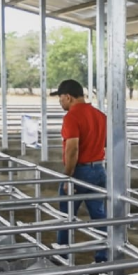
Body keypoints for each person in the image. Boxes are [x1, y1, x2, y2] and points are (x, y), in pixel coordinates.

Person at [52, 79, 108, 263]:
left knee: (66, 216)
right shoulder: (100, 115)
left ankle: (63, 256)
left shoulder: (71, 117)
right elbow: (106, 143)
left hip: (79, 171)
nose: (60, 102)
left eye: (60, 98)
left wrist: (67, 176)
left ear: (68, 97)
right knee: (99, 216)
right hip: (99, 169)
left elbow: (72, 149)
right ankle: (103, 257)